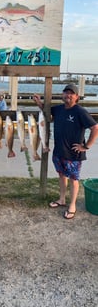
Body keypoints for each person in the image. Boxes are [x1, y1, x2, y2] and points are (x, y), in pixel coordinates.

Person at [33, 83, 98, 219]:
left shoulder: (80, 111)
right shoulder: (59, 109)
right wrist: (39, 102)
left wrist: (86, 147)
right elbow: (47, 111)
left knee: (74, 179)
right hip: (58, 151)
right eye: (66, 92)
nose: (68, 95)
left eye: (71, 93)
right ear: (62, 95)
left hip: (74, 154)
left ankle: (72, 205)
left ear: (76, 97)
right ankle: (62, 199)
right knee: (62, 175)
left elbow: (95, 128)